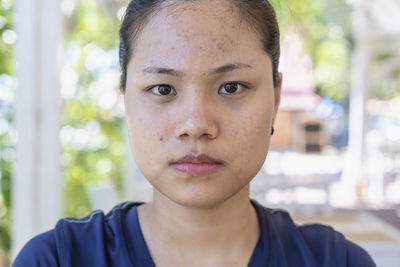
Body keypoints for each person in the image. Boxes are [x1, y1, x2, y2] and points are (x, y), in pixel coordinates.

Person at [13, 0, 376, 266]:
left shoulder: (336, 261)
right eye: (163, 89)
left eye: (231, 87)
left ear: (276, 97)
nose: (196, 124)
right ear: (126, 98)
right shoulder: (58, 260)